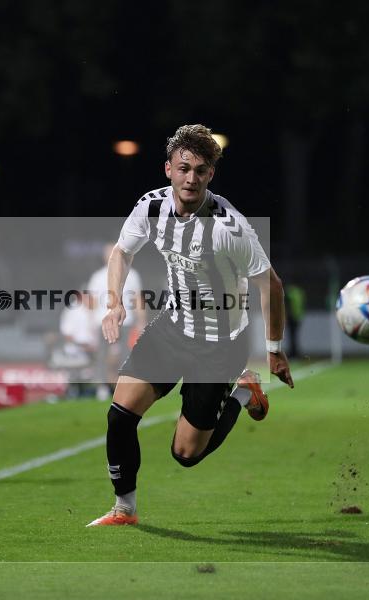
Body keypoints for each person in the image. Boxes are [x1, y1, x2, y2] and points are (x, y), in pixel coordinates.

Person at [88, 124, 294, 527]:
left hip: (220, 345)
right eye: (184, 168)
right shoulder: (151, 208)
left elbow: (271, 285)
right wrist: (114, 304)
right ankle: (124, 509)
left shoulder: (230, 227)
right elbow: (121, 253)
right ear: (168, 169)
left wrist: (273, 350)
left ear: (210, 175)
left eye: (201, 170)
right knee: (120, 413)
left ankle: (242, 392)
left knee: (185, 454)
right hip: (173, 328)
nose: (191, 178)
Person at [86, 243, 145, 400]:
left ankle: (123, 388)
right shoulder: (97, 276)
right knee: (102, 356)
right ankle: (102, 388)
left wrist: (141, 321)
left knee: (126, 356)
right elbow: (91, 302)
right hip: (103, 321)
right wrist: (91, 323)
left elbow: (137, 299)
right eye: (108, 252)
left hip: (126, 321)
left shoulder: (132, 274)